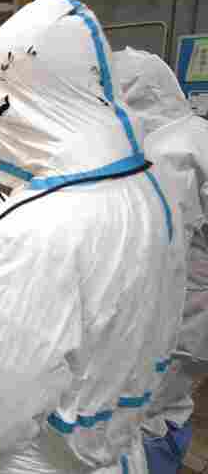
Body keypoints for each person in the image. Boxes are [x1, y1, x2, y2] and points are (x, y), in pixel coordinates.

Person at [0, 0, 182, 474]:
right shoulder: (148, 190)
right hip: (109, 446)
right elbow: (19, 216)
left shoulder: (43, 232)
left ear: (14, 102)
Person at [114, 47, 208, 474]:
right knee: (170, 406)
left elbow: (153, 243)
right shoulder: (195, 135)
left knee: (146, 414)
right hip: (189, 315)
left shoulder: (169, 152)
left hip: (178, 313)